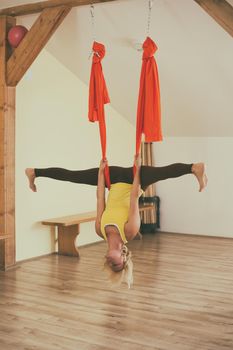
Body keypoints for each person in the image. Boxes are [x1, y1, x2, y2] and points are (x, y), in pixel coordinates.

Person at [25, 159, 207, 287]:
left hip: (111, 179)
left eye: (111, 265)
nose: (113, 263)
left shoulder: (99, 231)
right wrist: (137, 168)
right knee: (163, 172)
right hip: (135, 180)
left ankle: (35, 172)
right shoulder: (130, 232)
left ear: (106, 259)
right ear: (124, 257)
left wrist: (101, 173)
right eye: (118, 265)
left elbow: (99, 199)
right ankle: (194, 168)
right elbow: (135, 197)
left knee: (74, 176)